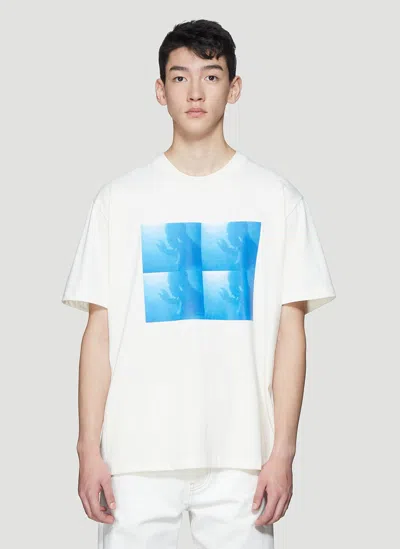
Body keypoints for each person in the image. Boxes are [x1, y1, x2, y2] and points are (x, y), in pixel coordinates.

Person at [61, 19, 336, 549]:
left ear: (234, 88)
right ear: (160, 90)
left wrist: (283, 451)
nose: (195, 92)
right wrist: (87, 449)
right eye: (180, 76)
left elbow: (291, 332)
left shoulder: (276, 199)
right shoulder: (120, 200)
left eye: (211, 76)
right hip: (135, 458)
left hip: (242, 457)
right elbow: (99, 332)